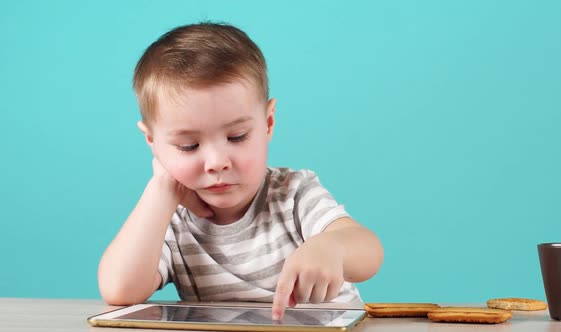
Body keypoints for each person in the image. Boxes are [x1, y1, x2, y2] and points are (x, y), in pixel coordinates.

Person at [98, 22, 384, 320]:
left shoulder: (292, 193)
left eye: (236, 137)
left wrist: (332, 247)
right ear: (153, 142)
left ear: (268, 123)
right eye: (188, 145)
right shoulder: (171, 219)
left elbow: (369, 252)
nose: (216, 162)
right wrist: (161, 190)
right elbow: (120, 290)